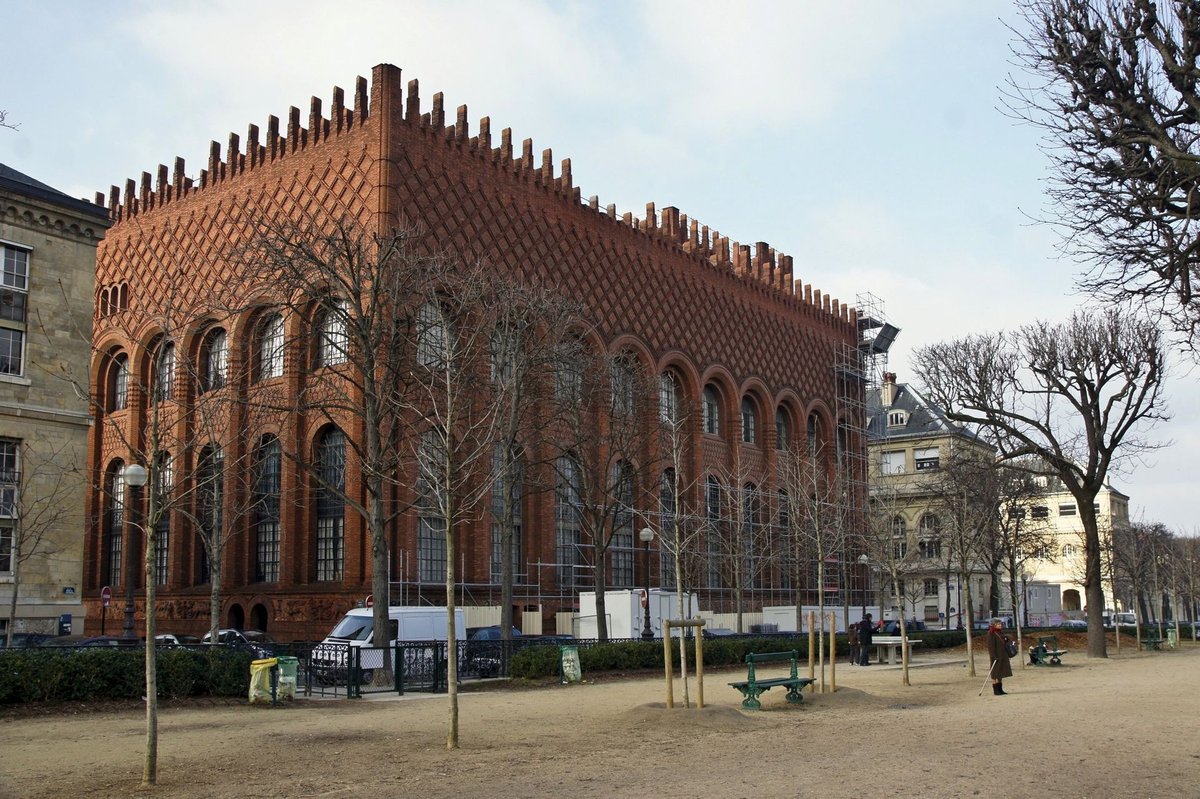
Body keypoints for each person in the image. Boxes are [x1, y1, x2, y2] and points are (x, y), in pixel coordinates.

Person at [986, 617, 1013, 695]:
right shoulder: (991, 633)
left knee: (1000, 672)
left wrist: (1007, 639)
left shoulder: (1000, 632)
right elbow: (990, 646)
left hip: (1002, 655)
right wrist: (993, 656)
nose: (1000, 625)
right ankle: (995, 690)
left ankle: (1000, 689)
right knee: (995, 673)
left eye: (1000, 624)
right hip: (996, 656)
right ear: (994, 625)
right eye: (998, 624)